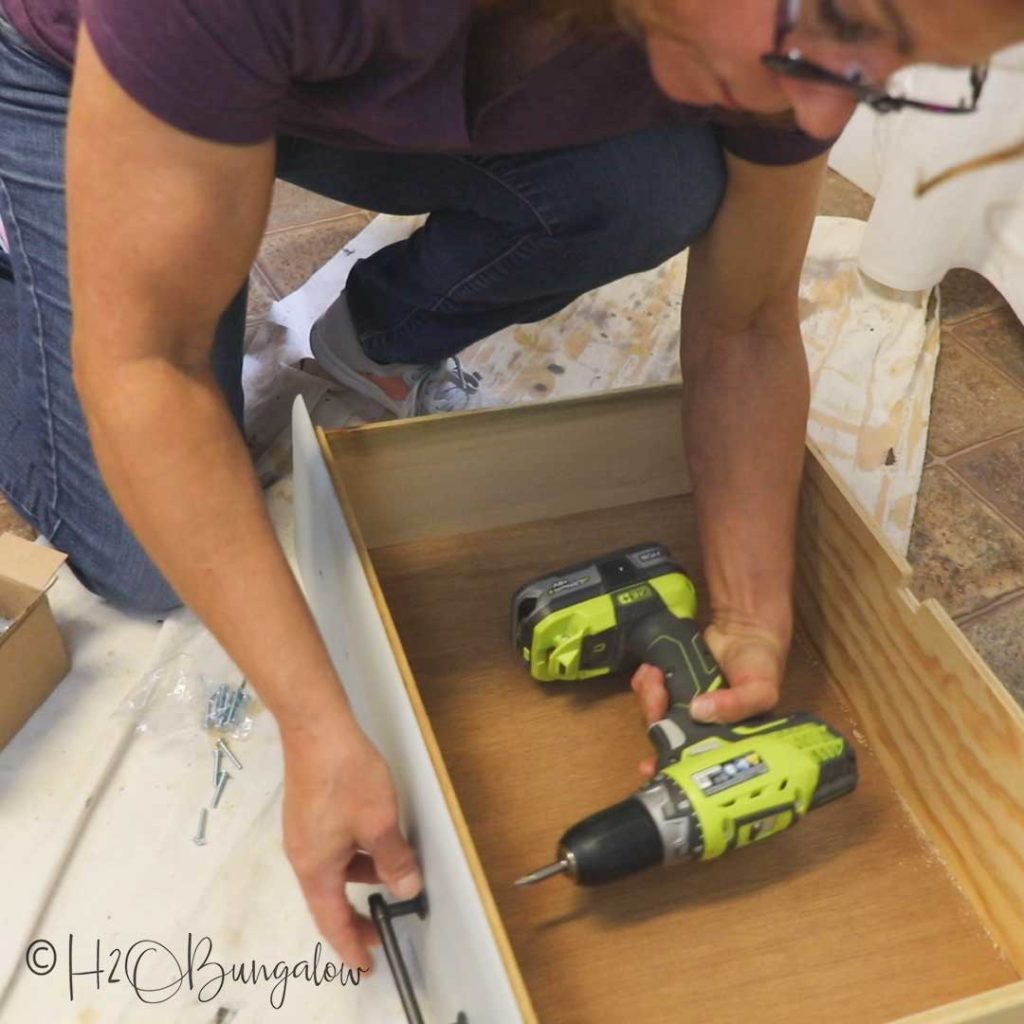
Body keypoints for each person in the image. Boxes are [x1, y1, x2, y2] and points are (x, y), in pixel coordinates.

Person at [1, 0, 1020, 974]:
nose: (823, 115)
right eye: (844, 26)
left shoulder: (787, 61)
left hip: (356, 66)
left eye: (886, 82)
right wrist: (316, 723)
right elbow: (151, 365)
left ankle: (372, 338)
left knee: (658, 183)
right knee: (139, 560)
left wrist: (750, 617)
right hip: (82, 65)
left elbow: (750, 317)